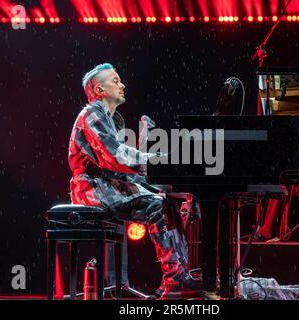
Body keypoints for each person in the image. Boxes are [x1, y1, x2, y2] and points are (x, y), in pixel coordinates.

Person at [68, 63, 201, 299]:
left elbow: (124, 169)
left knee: (167, 201)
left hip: (108, 186)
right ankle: (174, 278)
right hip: (93, 190)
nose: (122, 85)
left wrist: (166, 184)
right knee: (157, 205)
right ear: (99, 90)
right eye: (116, 80)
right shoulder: (92, 114)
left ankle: (177, 276)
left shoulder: (106, 118)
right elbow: (116, 157)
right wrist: (158, 161)